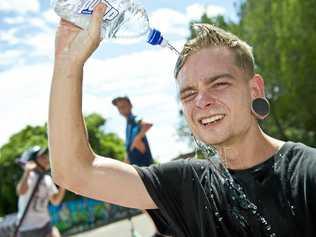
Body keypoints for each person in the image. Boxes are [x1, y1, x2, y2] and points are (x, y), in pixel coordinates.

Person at [48, 3, 316, 237]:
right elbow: (73, 171)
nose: (201, 102)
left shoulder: (305, 175)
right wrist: (68, 63)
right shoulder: (190, 184)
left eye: (219, 83)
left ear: (254, 90)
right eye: (189, 93)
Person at [112, 96, 168, 236]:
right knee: (143, 203)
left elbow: (147, 124)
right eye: (119, 108)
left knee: (147, 202)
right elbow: (129, 150)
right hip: (136, 169)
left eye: (124, 106)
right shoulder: (128, 125)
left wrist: (137, 139)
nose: (122, 109)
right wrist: (124, 166)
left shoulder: (134, 118)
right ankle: (161, 228)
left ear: (130, 105)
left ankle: (164, 228)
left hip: (144, 168)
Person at [16, 147, 65, 237]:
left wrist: (63, 185)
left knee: (55, 233)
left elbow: (55, 201)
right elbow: (21, 191)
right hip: (28, 228)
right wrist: (27, 172)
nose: (46, 158)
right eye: (42, 157)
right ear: (33, 161)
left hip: (44, 223)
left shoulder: (47, 179)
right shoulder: (30, 176)